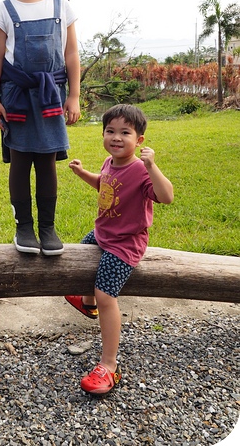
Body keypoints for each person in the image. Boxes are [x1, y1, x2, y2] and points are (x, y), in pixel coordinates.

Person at [66, 104, 174, 395]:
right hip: (104, 233)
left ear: (139, 140)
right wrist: (82, 173)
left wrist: (152, 166)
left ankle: (109, 365)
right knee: (76, 257)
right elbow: (104, 186)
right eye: (110, 131)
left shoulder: (140, 171)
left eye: (125, 132)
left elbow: (167, 197)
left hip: (125, 243)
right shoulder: (108, 162)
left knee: (106, 295)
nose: (116, 137)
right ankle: (86, 303)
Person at [0, 0, 80, 256]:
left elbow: (71, 55)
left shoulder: (61, 6)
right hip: (16, 97)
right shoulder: (5, 9)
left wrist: (74, 96)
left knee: (47, 162)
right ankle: (23, 227)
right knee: (20, 160)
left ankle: (48, 227)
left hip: (51, 96)